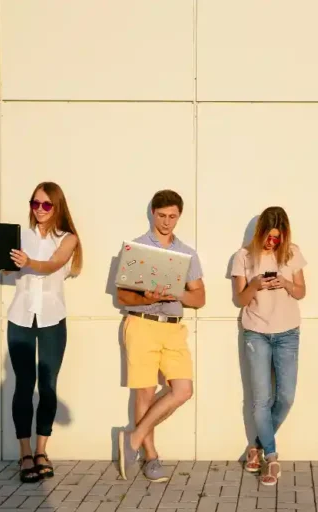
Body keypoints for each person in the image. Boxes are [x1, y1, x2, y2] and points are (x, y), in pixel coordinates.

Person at [0, 182, 82, 483]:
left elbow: (53, 265)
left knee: (48, 386)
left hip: (52, 318)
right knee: (24, 385)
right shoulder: (18, 237)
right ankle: (24, 453)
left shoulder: (68, 238)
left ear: (57, 207)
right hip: (20, 316)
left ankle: (41, 450)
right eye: (35, 203)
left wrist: (28, 262)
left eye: (46, 205)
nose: (39, 209)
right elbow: (9, 271)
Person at [116, 189, 205, 481]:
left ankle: (133, 438)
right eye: (162, 215)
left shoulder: (187, 253)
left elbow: (200, 298)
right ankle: (151, 457)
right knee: (145, 391)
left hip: (173, 328)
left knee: (183, 390)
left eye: (173, 216)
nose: (167, 222)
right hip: (142, 323)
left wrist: (174, 291)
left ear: (179, 216)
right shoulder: (137, 248)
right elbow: (122, 296)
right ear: (153, 213)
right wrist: (146, 297)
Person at [231, 207, 307, 486]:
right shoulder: (243, 256)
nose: (272, 242)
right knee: (261, 399)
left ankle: (257, 447)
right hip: (256, 332)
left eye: (277, 238)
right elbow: (240, 300)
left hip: (288, 331)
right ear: (260, 231)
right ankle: (272, 459)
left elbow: (301, 292)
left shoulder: (292, 253)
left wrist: (285, 282)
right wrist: (254, 285)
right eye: (269, 237)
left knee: (286, 397)